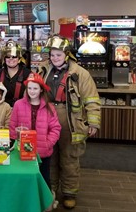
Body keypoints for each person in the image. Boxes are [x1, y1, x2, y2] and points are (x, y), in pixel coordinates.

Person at [38, 35, 101, 209]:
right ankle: (49, 190)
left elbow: (91, 99)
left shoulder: (81, 74)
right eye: (52, 55)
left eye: (58, 55)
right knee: (48, 157)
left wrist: (93, 123)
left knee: (69, 157)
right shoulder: (42, 70)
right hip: (47, 117)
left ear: (66, 54)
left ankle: (69, 192)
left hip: (70, 119)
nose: (54, 58)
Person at [9, 73, 61, 194]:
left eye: (35, 88)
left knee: (44, 178)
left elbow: (55, 128)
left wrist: (48, 143)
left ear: (41, 89)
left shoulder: (50, 107)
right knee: (24, 179)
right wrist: (14, 141)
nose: (32, 91)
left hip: (43, 151)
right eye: (29, 88)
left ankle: (46, 204)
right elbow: (12, 126)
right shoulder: (18, 105)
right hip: (22, 151)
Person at [0, 41, 31, 108]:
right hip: (1, 111)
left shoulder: (28, 75)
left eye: (14, 56)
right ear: (4, 58)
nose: (11, 59)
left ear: (19, 58)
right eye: (8, 56)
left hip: (21, 110)